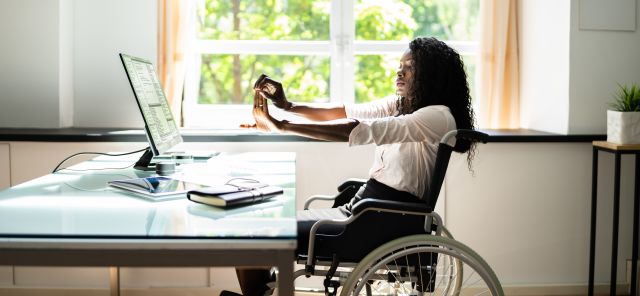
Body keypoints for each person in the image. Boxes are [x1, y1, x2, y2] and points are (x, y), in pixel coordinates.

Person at [227, 36, 476, 296]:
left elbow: (360, 129)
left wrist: (282, 126)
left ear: (432, 74)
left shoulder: (437, 115)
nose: (400, 71)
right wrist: (287, 106)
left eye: (410, 66)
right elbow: (345, 113)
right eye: (400, 64)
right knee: (252, 234)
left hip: (378, 221)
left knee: (256, 236)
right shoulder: (402, 106)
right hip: (363, 211)